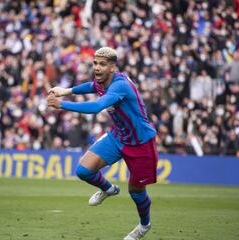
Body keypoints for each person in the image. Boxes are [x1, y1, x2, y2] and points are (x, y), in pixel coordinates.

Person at [47, 47, 158, 240]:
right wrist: (66, 91)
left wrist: (62, 104)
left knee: (136, 192)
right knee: (83, 171)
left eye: (102, 64)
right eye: (95, 63)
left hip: (141, 142)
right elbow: (92, 86)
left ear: (113, 67)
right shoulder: (102, 81)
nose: (97, 68)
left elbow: (97, 107)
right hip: (118, 136)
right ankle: (108, 189)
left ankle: (143, 225)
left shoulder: (120, 86)